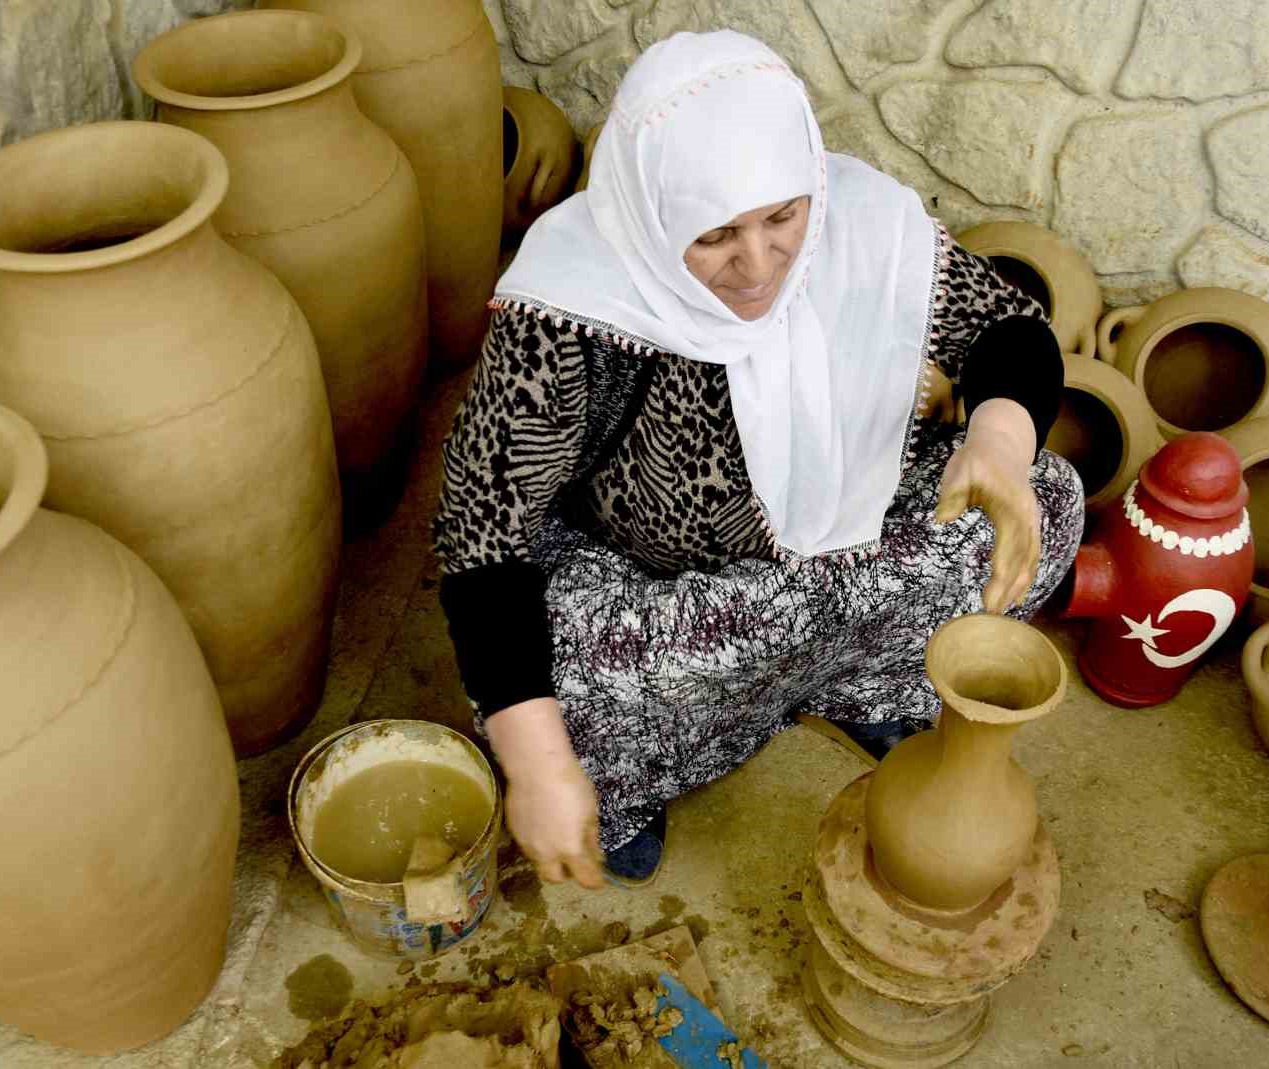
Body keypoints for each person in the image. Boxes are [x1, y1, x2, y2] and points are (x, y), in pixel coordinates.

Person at [433, 30, 1080, 890]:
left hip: (830, 548)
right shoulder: (570, 307)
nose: (761, 262)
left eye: (782, 216)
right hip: (650, 580)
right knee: (558, 677)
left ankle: (865, 688)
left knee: (1046, 496)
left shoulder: (861, 223)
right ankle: (618, 784)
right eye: (714, 236)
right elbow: (481, 537)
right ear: (652, 216)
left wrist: (996, 439)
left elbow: (1008, 329)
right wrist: (538, 761)